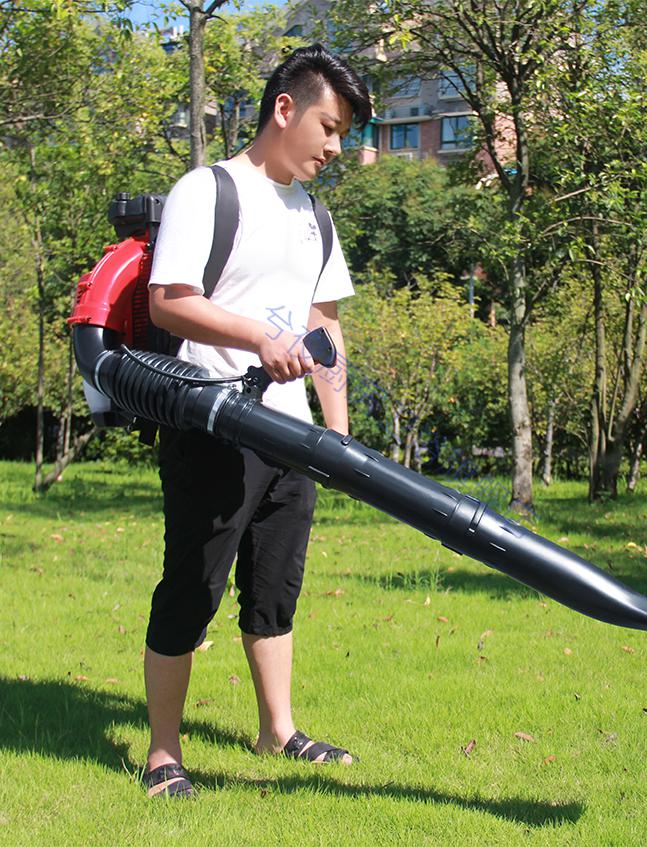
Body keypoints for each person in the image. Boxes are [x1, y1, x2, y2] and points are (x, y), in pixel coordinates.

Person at [141, 43, 372, 798]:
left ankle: (278, 729)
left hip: (291, 432)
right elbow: (168, 299)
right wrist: (256, 340)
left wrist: (334, 428)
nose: (336, 148)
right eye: (329, 128)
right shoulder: (208, 191)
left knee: (275, 588)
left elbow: (324, 326)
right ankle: (163, 753)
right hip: (213, 421)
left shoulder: (314, 216)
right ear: (284, 109)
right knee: (192, 589)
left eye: (343, 136)